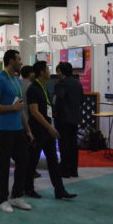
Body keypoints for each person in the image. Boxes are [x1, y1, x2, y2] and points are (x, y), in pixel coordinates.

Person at [0, 49, 34, 213]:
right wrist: (10, 108)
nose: (21, 62)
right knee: (3, 166)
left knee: (24, 161)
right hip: (3, 130)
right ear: (11, 61)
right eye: (19, 59)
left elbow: (20, 108)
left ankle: (17, 196)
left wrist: (27, 130)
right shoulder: (0, 79)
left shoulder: (17, 80)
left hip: (18, 130)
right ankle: (2, 199)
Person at [24, 61, 77, 200]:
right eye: (47, 69)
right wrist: (49, 127)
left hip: (47, 131)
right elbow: (34, 112)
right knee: (33, 161)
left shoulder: (44, 87)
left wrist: (50, 127)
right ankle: (28, 188)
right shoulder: (33, 89)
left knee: (53, 161)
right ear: (41, 72)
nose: (50, 71)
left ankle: (59, 190)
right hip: (37, 131)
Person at [54, 62, 84, 178]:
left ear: (62, 71)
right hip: (75, 118)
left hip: (63, 118)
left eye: (58, 71)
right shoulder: (78, 84)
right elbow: (82, 100)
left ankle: (65, 171)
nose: (57, 74)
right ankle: (73, 170)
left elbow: (58, 100)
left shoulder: (61, 84)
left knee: (64, 144)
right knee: (73, 144)